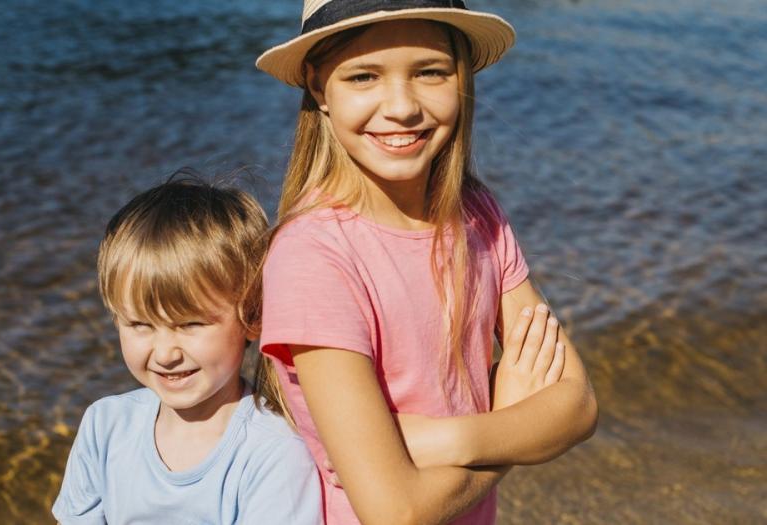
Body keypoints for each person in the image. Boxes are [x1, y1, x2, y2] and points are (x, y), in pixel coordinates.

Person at [254, 1, 599, 524]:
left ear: (461, 75)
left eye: (430, 72)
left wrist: (445, 438)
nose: (401, 107)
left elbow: (576, 405)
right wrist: (509, 427)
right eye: (364, 76)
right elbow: (396, 511)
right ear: (320, 87)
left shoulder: (477, 217)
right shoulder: (314, 257)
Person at [52, 177, 322, 524]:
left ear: (252, 316)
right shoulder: (105, 427)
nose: (165, 353)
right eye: (140, 325)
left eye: (190, 324)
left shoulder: (274, 452)